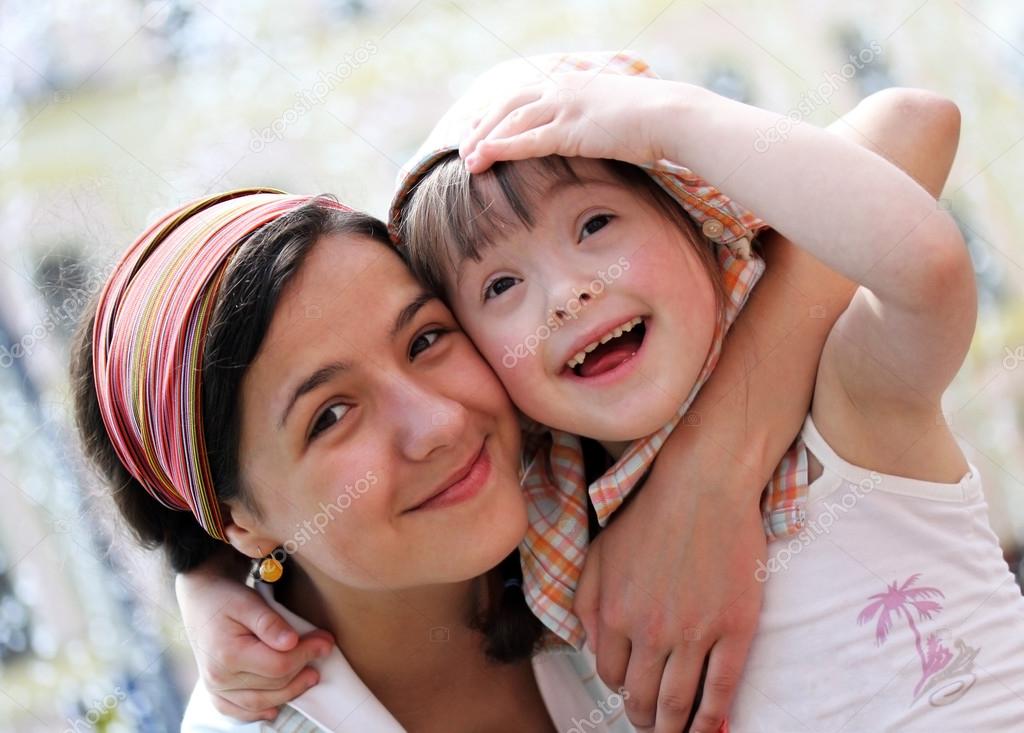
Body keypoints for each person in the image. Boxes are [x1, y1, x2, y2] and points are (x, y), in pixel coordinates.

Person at [176, 53, 1008, 731]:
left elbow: (922, 235)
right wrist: (214, 591)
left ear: (699, 221)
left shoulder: (842, 410)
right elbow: (309, 527)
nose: (568, 294)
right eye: (500, 286)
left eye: (597, 227)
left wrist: (666, 120)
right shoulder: (559, 520)